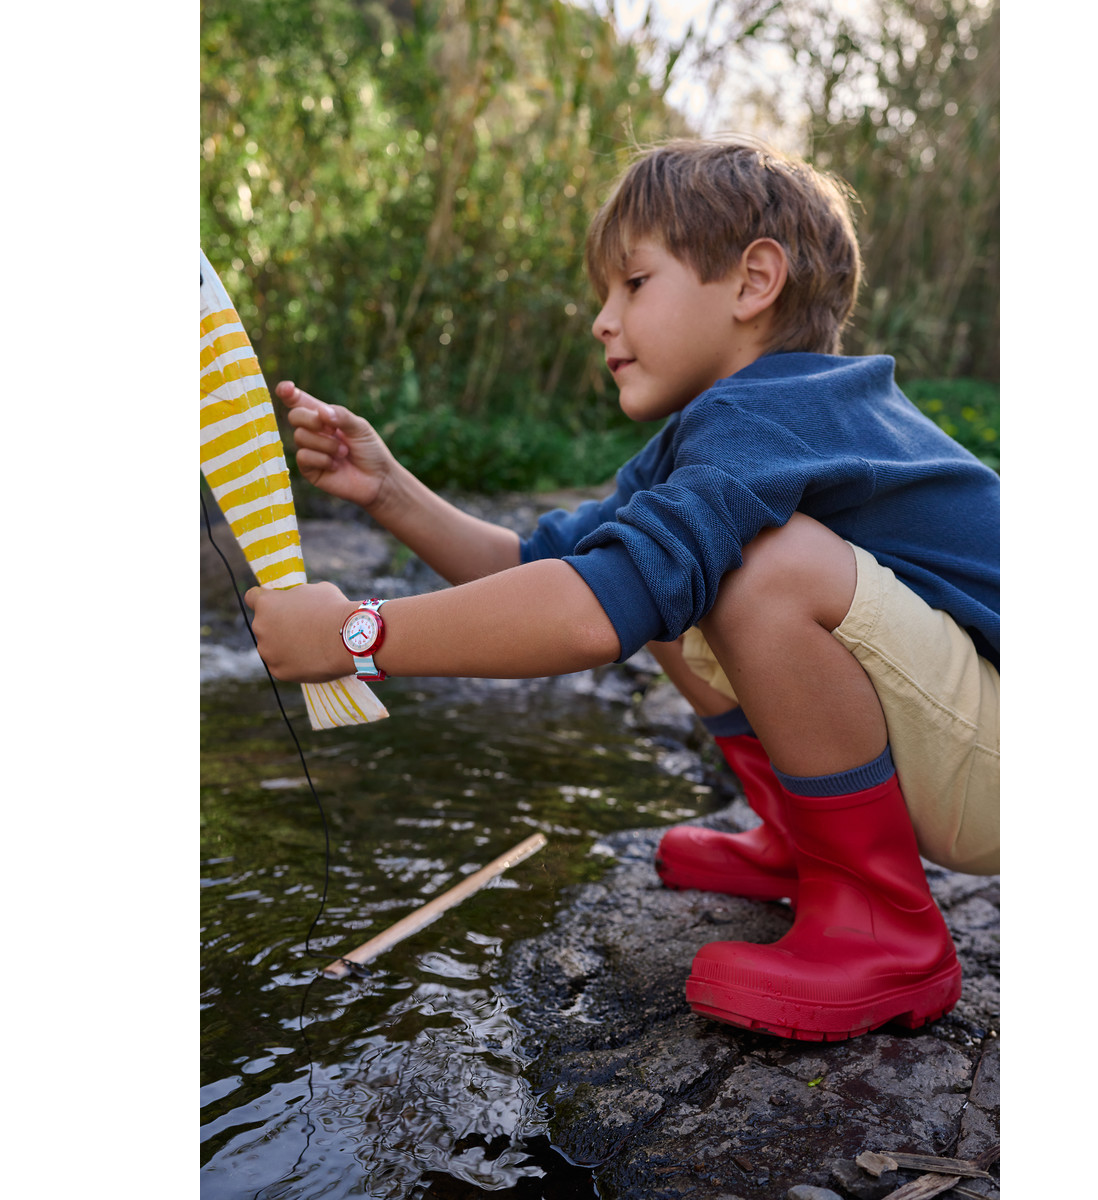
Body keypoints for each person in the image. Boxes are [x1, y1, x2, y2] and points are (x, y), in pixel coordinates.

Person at [245, 136, 999, 1043]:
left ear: (755, 282)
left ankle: (883, 931)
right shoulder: (724, 434)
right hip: (968, 750)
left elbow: (586, 614)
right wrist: (391, 490)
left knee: (763, 570)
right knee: (660, 573)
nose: (603, 319)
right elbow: (538, 565)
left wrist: (356, 635)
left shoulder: (779, 412)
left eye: (633, 284)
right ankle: (809, 846)